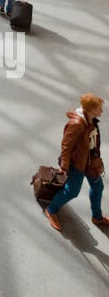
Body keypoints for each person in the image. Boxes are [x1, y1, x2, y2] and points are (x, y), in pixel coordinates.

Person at [43, 94, 109, 232]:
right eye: (99, 108)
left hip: (91, 162)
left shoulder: (92, 120)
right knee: (72, 191)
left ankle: (97, 217)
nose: (102, 111)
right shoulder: (77, 125)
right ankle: (51, 209)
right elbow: (66, 147)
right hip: (77, 164)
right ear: (91, 109)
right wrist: (64, 167)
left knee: (98, 188)